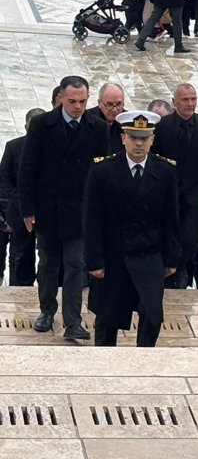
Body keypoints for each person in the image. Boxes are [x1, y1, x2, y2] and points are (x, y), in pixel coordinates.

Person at [18, 76, 109, 339]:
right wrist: (27, 208)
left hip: (80, 210)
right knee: (48, 263)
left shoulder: (98, 127)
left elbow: (103, 172)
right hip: (47, 209)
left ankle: (73, 321)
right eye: (72, 101)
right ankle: (46, 310)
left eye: (82, 101)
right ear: (60, 98)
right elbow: (28, 168)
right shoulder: (41, 124)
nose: (78, 106)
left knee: (76, 264)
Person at [85, 110, 180, 347]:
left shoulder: (165, 171)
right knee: (108, 317)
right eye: (133, 137)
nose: (139, 143)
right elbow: (92, 218)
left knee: (152, 314)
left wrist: (171, 258)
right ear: (123, 138)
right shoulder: (103, 170)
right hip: (114, 254)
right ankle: (104, 362)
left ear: (152, 140)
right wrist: (94, 260)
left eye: (144, 138)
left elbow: (171, 218)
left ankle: (144, 358)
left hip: (148, 253)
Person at [151, 83, 198, 288]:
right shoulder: (163, 126)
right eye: (185, 99)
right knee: (168, 236)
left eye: (193, 99)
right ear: (174, 102)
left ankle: (181, 273)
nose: (190, 103)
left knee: (190, 239)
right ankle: (168, 275)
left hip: (194, 194)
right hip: (168, 194)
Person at [0, 108, 42, 286]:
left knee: (49, 253)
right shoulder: (14, 146)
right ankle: (19, 286)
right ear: (25, 126)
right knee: (20, 252)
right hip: (20, 210)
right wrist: (22, 199)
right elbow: (4, 181)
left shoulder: (55, 150)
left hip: (47, 209)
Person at [85, 83, 125, 154]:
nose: (114, 110)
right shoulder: (86, 120)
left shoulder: (128, 121)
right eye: (109, 104)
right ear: (99, 103)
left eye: (119, 104)